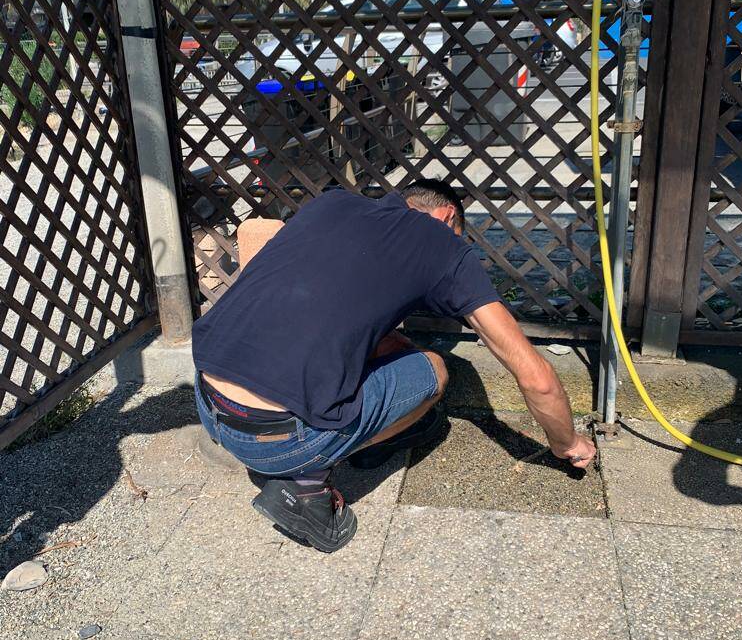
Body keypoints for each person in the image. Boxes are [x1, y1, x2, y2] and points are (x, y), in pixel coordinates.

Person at [192, 179, 596, 553]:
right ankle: (308, 485)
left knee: (384, 345)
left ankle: (346, 444)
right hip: (282, 442)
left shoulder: (332, 203)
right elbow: (535, 377)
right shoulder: (445, 245)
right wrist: (567, 443)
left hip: (208, 404)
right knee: (434, 370)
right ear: (448, 217)